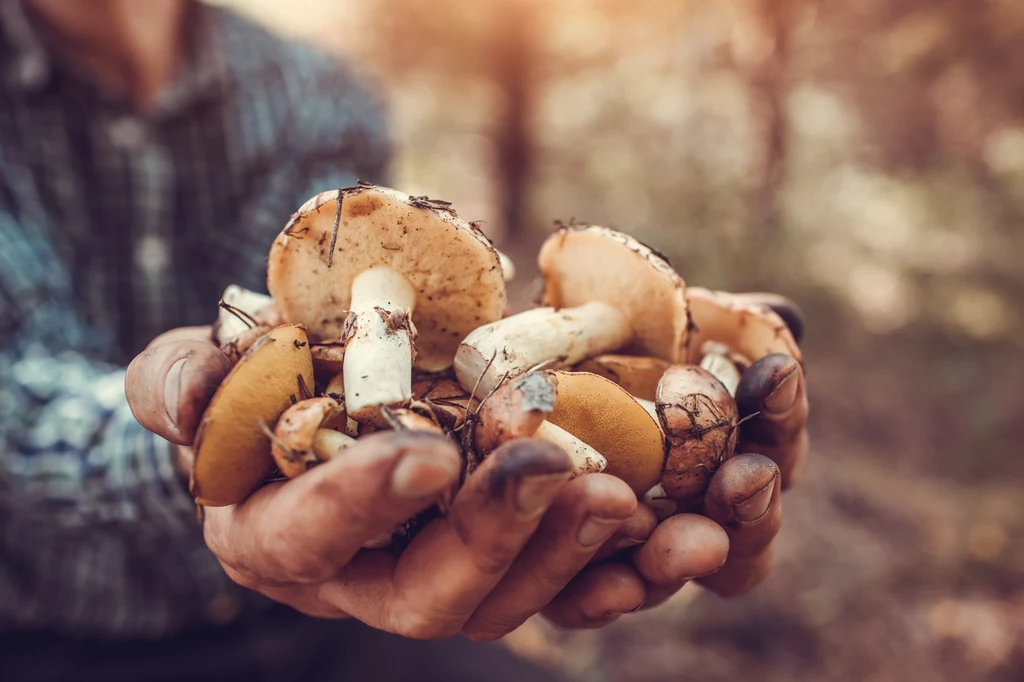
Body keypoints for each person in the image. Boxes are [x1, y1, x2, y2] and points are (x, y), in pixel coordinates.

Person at [0, 0, 811, 680]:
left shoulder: (316, 98)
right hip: (41, 633)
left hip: (341, 612)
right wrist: (191, 435)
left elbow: (319, 346)